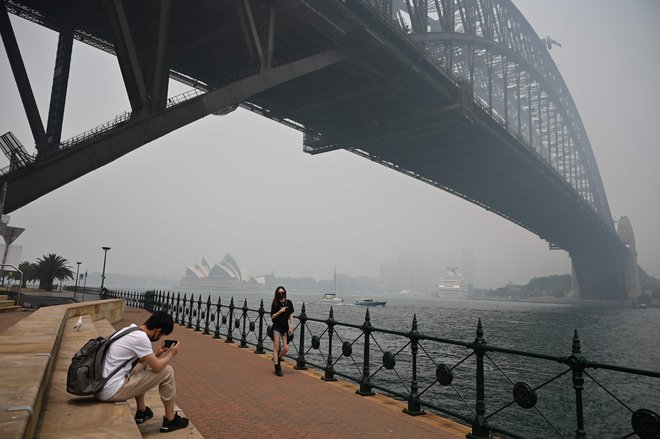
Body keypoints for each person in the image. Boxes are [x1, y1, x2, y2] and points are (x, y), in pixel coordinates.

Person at [95, 310, 189, 433]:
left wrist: (157, 353)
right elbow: (157, 368)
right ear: (158, 331)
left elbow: (141, 360)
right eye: (161, 335)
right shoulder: (142, 339)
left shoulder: (130, 330)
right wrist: (171, 354)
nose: (160, 338)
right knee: (168, 371)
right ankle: (170, 419)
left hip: (100, 386)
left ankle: (142, 410)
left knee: (143, 362)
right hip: (111, 391)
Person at [270, 286, 294, 376]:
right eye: (279, 293)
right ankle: (277, 368)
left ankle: (278, 359)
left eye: (282, 292)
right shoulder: (275, 302)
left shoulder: (289, 302)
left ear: (285, 293)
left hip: (285, 327)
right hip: (276, 326)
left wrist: (291, 327)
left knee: (286, 348)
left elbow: (291, 315)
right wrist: (280, 311)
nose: (281, 294)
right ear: (277, 294)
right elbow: (272, 316)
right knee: (276, 347)